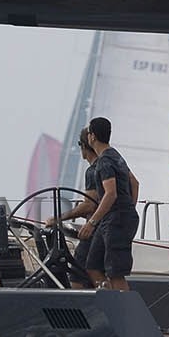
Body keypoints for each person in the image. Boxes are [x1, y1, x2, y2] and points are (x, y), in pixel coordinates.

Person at [78, 116, 140, 291]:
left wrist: (92, 222)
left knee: (115, 273)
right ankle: (110, 299)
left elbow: (110, 193)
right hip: (114, 218)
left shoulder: (104, 161)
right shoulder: (116, 156)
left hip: (115, 219)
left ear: (92, 137)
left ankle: (124, 314)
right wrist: (129, 207)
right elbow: (135, 183)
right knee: (93, 266)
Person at [44, 129, 99, 288]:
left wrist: (57, 218)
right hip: (105, 228)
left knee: (77, 275)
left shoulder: (93, 171)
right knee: (95, 272)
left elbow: (89, 205)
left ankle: (83, 309)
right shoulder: (109, 165)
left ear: (83, 146)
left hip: (94, 232)